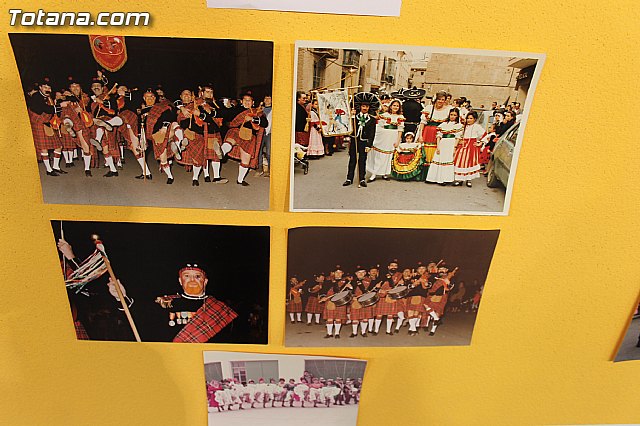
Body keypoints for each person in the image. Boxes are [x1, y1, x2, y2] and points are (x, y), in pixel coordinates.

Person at [111, 263, 238, 342]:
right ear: (180, 281)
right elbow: (137, 317)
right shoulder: (164, 303)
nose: (192, 279)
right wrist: (121, 297)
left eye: (198, 276)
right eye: (187, 276)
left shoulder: (221, 309)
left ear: (205, 281)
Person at [219, 91, 268, 186]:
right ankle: (222, 152)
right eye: (245, 100)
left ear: (253, 102)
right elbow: (225, 116)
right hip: (236, 131)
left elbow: (264, 123)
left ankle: (240, 180)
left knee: (246, 160)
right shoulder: (235, 110)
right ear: (241, 101)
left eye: (249, 100)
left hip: (249, 136)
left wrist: (253, 119)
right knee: (230, 140)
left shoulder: (258, 112)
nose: (247, 102)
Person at [27, 77, 68, 176]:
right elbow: (45, 109)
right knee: (44, 148)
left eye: (49, 87)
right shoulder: (37, 96)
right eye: (45, 87)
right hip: (39, 124)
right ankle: (49, 170)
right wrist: (60, 105)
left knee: (58, 146)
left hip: (47, 123)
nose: (47, 89)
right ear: (40, 87)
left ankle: (56, 167)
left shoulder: (48, 97)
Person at [344, 92, 377, 187]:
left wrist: (369, 145)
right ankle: (349, 178)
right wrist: (351, 116)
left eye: (367, 106)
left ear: (369, 108)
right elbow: (348, 126)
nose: (365, 108)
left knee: (362, 160)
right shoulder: (355, 117)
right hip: (355, 141)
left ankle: (362, 179)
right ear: (360, 107)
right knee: (352, 160)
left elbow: (372, 134)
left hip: (364, 142)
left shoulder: (371, 119)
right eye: (363, 106)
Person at [367, 98, 404, 182]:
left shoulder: (400, 117)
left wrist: (398, 141)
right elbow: (379, 126)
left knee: (389, 155)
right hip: (383, 137)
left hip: (393, 137)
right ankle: (374, 173)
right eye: (394, 105)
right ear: (390, 106)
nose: (395, 107)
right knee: (379, 154)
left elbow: (400, 129)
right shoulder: (385, 115)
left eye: (397, 106)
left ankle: (385, 173)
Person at [425, 108, 463, 185]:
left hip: (451, 143)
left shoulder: (458, 126)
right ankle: (432, 178)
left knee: (447, 159)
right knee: (438, 158)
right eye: (451, 114)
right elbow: (439, 136)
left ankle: (444, 179)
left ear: (457, 116)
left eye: (455, 115)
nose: (452, 116)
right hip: (442, 143)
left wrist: (454, 147)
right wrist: (438, 146)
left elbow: (458, 137)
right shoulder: (443, 124)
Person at [417, 91, 452, 175]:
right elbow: (422, 123)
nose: (440, 101)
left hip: (440, 134)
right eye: (439, 99)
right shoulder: (429, 108)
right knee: (425, 151)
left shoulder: (448, 110)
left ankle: (434, 173)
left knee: (438, 151)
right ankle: (423, 173)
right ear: (435, 99)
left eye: (443, 100)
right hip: (428, 132)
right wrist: (420, 135)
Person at [453, 110, 486, 187]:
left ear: (475, 119)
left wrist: (480, 143)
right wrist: (459, 142)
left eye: (471, 118)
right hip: (463, 145)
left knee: (469, 162)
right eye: (468, 118)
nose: (469, 120)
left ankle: (469, 179)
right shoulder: (463, 126)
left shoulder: (477, 127)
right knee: (461, 162)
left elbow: (485, 135)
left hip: (471, 147)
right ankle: (460, 179)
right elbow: (458, 135)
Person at [257, 94, 272, 176]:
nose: (267, 100)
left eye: (269, 98)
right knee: (259, 150)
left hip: (269, 133)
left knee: (269, 152)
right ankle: (259, 168)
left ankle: (270, 170)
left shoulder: (274, 110)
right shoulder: (260, 110)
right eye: (266, 98)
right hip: (260, 132)